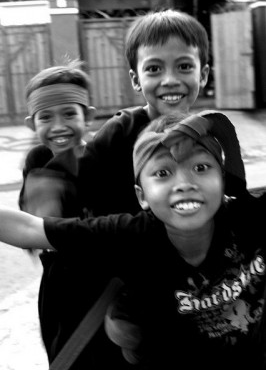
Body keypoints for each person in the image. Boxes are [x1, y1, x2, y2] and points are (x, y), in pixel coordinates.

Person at [0, 110, 266, 369]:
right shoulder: (131, 234)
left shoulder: (251, 217)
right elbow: (28, 229)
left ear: (222, 179)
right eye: (163, 173)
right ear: (142, 197)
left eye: (200, 167)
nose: (185, 183)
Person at [77, 8, 211, 217]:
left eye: (184, 66)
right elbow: (79, 189)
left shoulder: (208, 132)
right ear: (136, 80)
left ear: (202, 75)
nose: (170, 80)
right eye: (154, 69)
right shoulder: (117, 133)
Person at [18, 60, 95, 360]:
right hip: (60, 285)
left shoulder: (102, 157)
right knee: (65, 354)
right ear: (31, 124)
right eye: (45, 117)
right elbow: (36, 225)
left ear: (87, 116)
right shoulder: (37, 159)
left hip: (106, 282)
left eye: (69, 114)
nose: (58, 126)